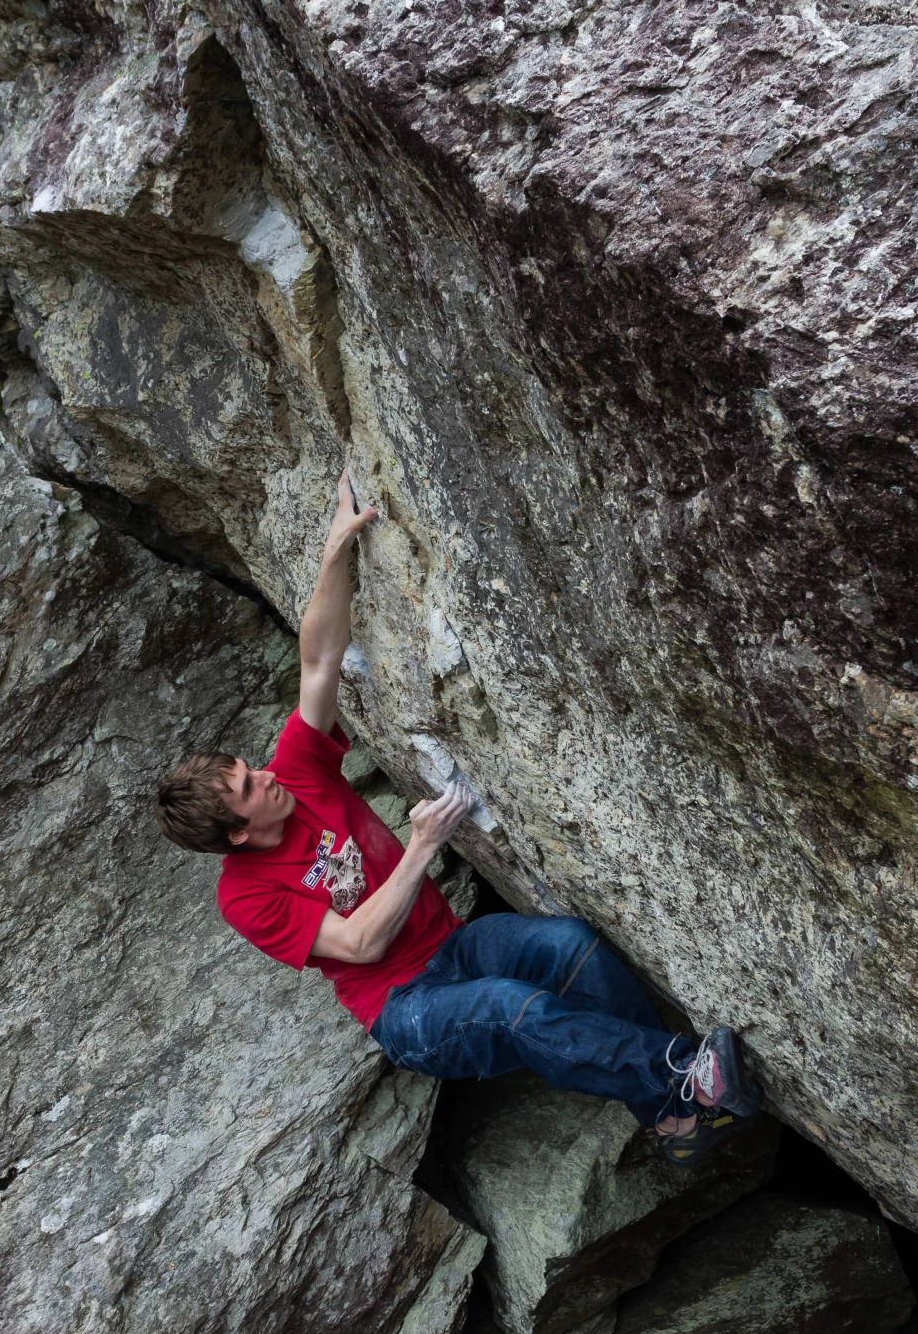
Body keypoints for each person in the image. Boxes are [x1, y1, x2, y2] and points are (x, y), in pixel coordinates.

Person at [155, 464, 758, 1160]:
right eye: (249, 787)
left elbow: (318, 659)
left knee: (569, 945)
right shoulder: (246, 895)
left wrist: (335, 547)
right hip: (406, 1010)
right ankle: (686, 1080)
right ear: (237, 833)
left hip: (449, 947)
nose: (265, 774)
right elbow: (357, 945)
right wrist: (420, 847)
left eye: (248, 767)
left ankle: (674, 1120)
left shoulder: (294, 771)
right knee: (509, 1008)